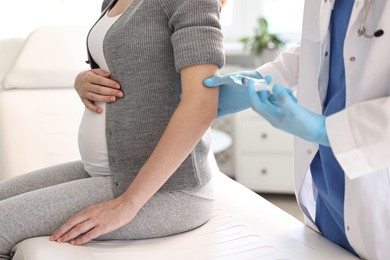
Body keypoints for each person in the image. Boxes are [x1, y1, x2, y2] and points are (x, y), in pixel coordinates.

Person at [76, 0, 389, 259]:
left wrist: (325, 130)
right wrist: (254, 82)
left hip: (375, 185)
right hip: (329, 199)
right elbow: (314, 49)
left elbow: (199, 106)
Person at [0, 0, 226, 258]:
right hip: (106, 171)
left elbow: (202, 105)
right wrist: (83, 80)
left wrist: (128, 203)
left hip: (166, 191)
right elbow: (129, 69)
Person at [203, 0, 389, 259]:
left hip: (377, 191)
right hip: (327, 194)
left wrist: (323, 130)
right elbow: (319, 46)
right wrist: (258, 82)